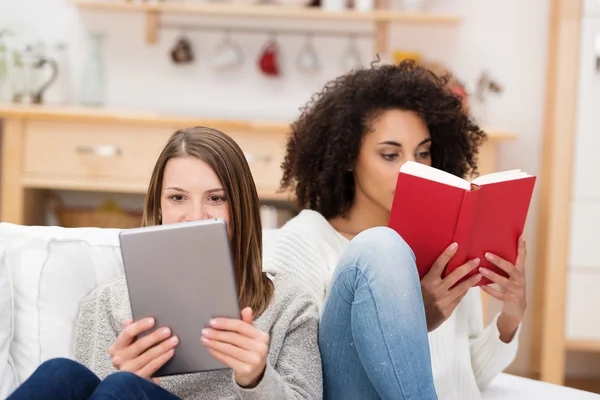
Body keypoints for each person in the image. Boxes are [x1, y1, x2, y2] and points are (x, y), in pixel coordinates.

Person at [265, 60, 527, 400]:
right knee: (381, 245)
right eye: (390, 154)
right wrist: (415, 319)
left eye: (423, 153)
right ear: (346, 157)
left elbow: (466, 375)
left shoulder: (449, 245)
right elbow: (303, 378)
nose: (412, 170)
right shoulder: (304, 242)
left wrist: (511, 317)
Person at [9, 127, 323, 400]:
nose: (196, 216)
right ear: (159, 207)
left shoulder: (290, 305)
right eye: (177, 198)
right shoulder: (106, 303)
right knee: (61, 374)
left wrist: (256, 377)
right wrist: (139, 382)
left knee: (122, 387)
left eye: (216, 198)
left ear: (239, 209)